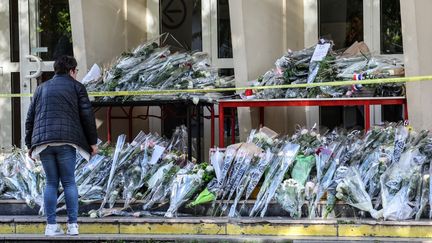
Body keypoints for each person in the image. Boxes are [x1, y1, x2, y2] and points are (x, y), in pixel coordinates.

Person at [25, 55, 98, 236]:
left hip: (43, 142)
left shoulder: (41, 88)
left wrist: (29, 144)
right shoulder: (77, 87)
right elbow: (87, 117)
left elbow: (30, 118)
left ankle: (51, 226)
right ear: (72, 71)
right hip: (67, 141)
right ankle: (73, 225)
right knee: (69, 182)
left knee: (51, 183)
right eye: (77, 71)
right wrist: (93, 143)